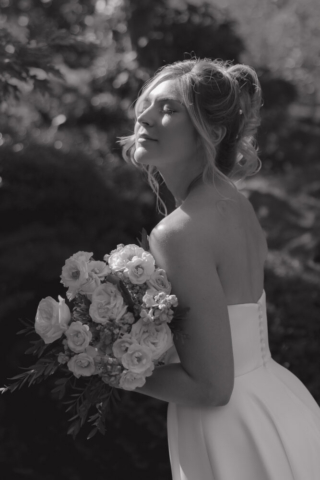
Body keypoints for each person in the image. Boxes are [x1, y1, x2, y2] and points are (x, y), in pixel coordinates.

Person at [119, 59, 320, 480]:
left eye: (169, 109)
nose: (146, 116)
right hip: (278, 403)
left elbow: (211, 387)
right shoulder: (233, 201)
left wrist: (115, 367)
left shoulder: (178, 232)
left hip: (231, 434)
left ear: (210, 133)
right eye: (147, 103)